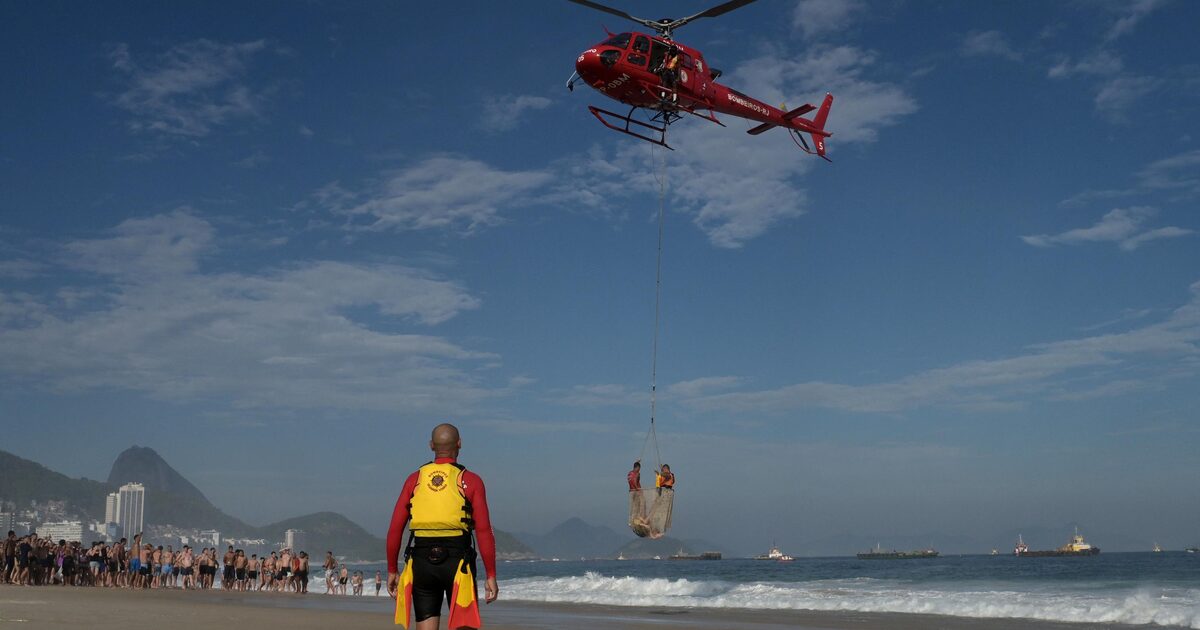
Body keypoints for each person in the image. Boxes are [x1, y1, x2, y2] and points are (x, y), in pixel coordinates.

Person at [387, 423, 498, 630]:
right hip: (458, 563)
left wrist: (392, 570)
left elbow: (394, 529)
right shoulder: (470, 480)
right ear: (459, 444)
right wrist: (491, 574)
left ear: (431, 445)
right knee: (464, 625)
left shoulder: (415, 479)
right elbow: (484, 531)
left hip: (422, 562)